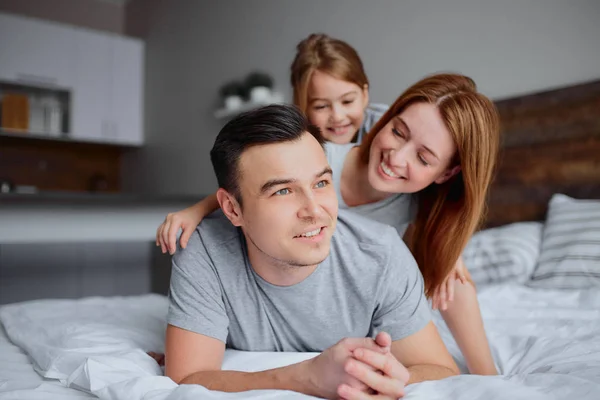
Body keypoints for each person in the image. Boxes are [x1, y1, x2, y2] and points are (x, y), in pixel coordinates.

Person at [157, 73, 500, 376]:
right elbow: (248, 186)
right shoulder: (326, 153)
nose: (396, 157)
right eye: (397, 132)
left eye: (322, 184)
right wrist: (197, 212)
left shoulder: (396, 238)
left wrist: (488, 377)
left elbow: (442, 358)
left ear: (446, 174)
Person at [291, 33, 388, 144]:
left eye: (347, 101)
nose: (338, 117)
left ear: (365, 95)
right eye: (321, 106)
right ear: (302, 107)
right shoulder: (296, 142)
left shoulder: (385, 126)